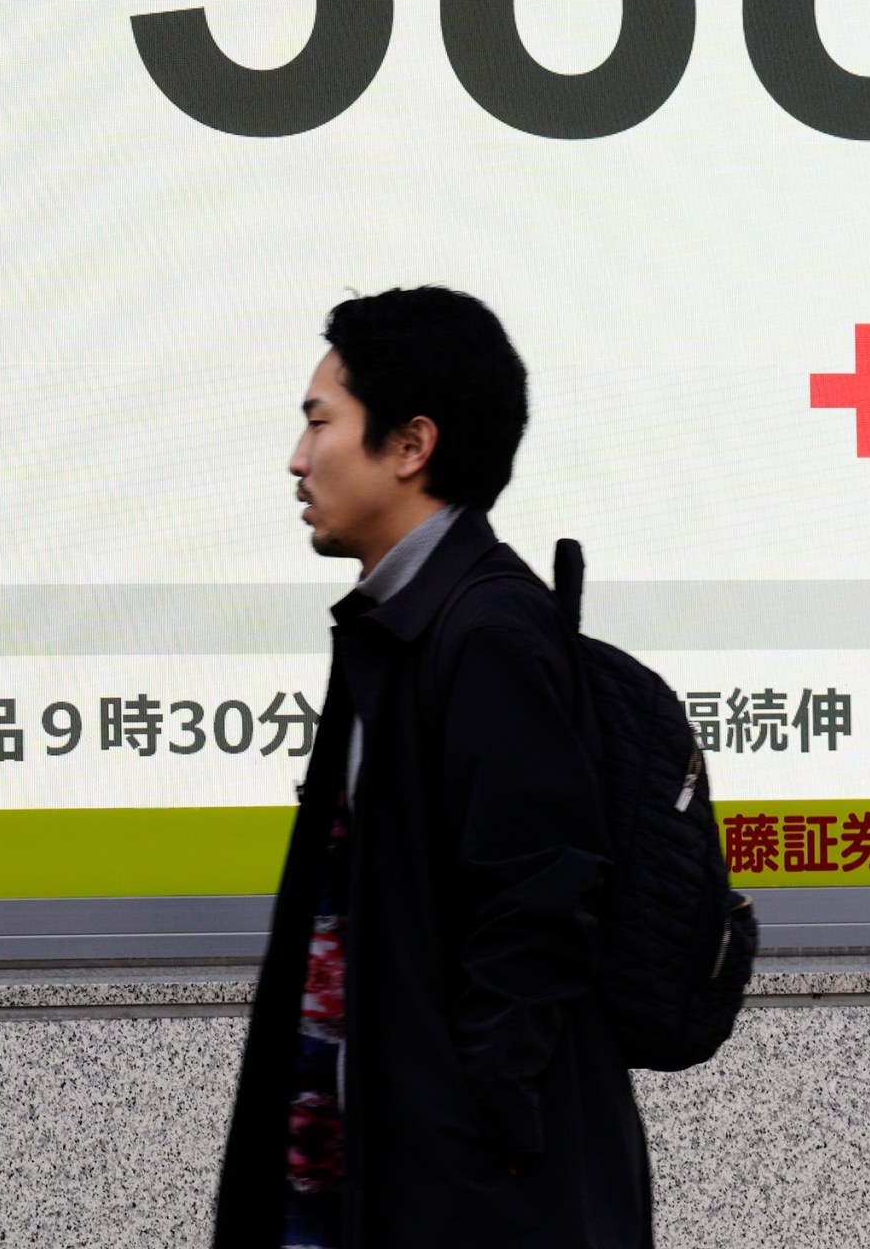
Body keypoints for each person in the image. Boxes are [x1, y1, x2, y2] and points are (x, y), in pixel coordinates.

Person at [212, 287, 650, 1249]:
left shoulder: (485, 634)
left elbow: (538, 915)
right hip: (368, 1173)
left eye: (319, 422)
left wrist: (466, 1140)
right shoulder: (397, 626)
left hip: (453, 1201)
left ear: (411, 446)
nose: (297, 458)